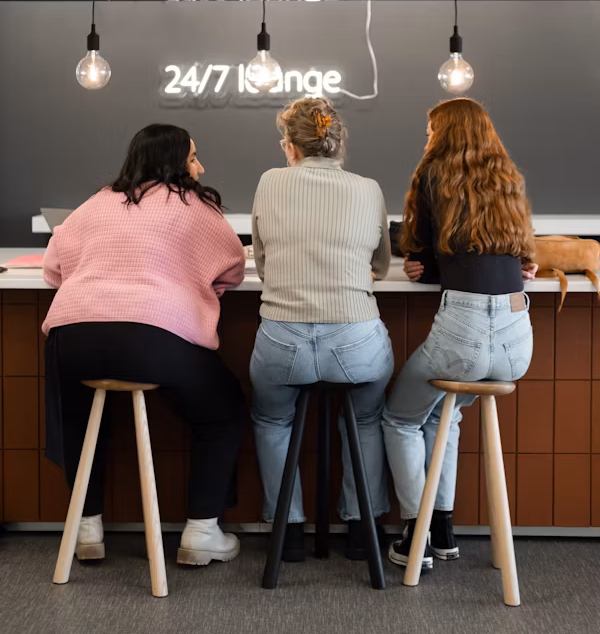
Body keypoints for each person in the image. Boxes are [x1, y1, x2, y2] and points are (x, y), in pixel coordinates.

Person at [42, 124, 247, 567]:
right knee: (223, 410)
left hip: (72, 335)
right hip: (153, 339)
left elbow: (53, 268)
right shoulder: (193, 205)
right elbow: (233, 268)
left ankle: (87, 527)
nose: (201, 166)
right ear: (173, 162)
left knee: (77, 418)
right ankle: (201, 531)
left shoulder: (96, 202)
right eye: (193, 157)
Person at [383, 98, 537, 571]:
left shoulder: (434, 175)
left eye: (430, 131)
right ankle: (445, 526)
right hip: (517, 341)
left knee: (400, 418)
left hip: (463, 334)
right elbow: (510, 254)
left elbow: (422, 248)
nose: (427, 139)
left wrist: (417, 263)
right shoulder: (507, 176)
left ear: (445, 133)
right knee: (443, 417)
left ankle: (417, 533)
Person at [250, 97, 393, 563]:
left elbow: (265, 266)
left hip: (281, 339)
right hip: (356, 341)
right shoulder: (369, 188)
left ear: (290, 146)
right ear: (338, 142)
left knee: (274, 420)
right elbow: (381, 266)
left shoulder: (269, 182)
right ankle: (362, 529)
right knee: (366, 419)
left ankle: (287, 534)